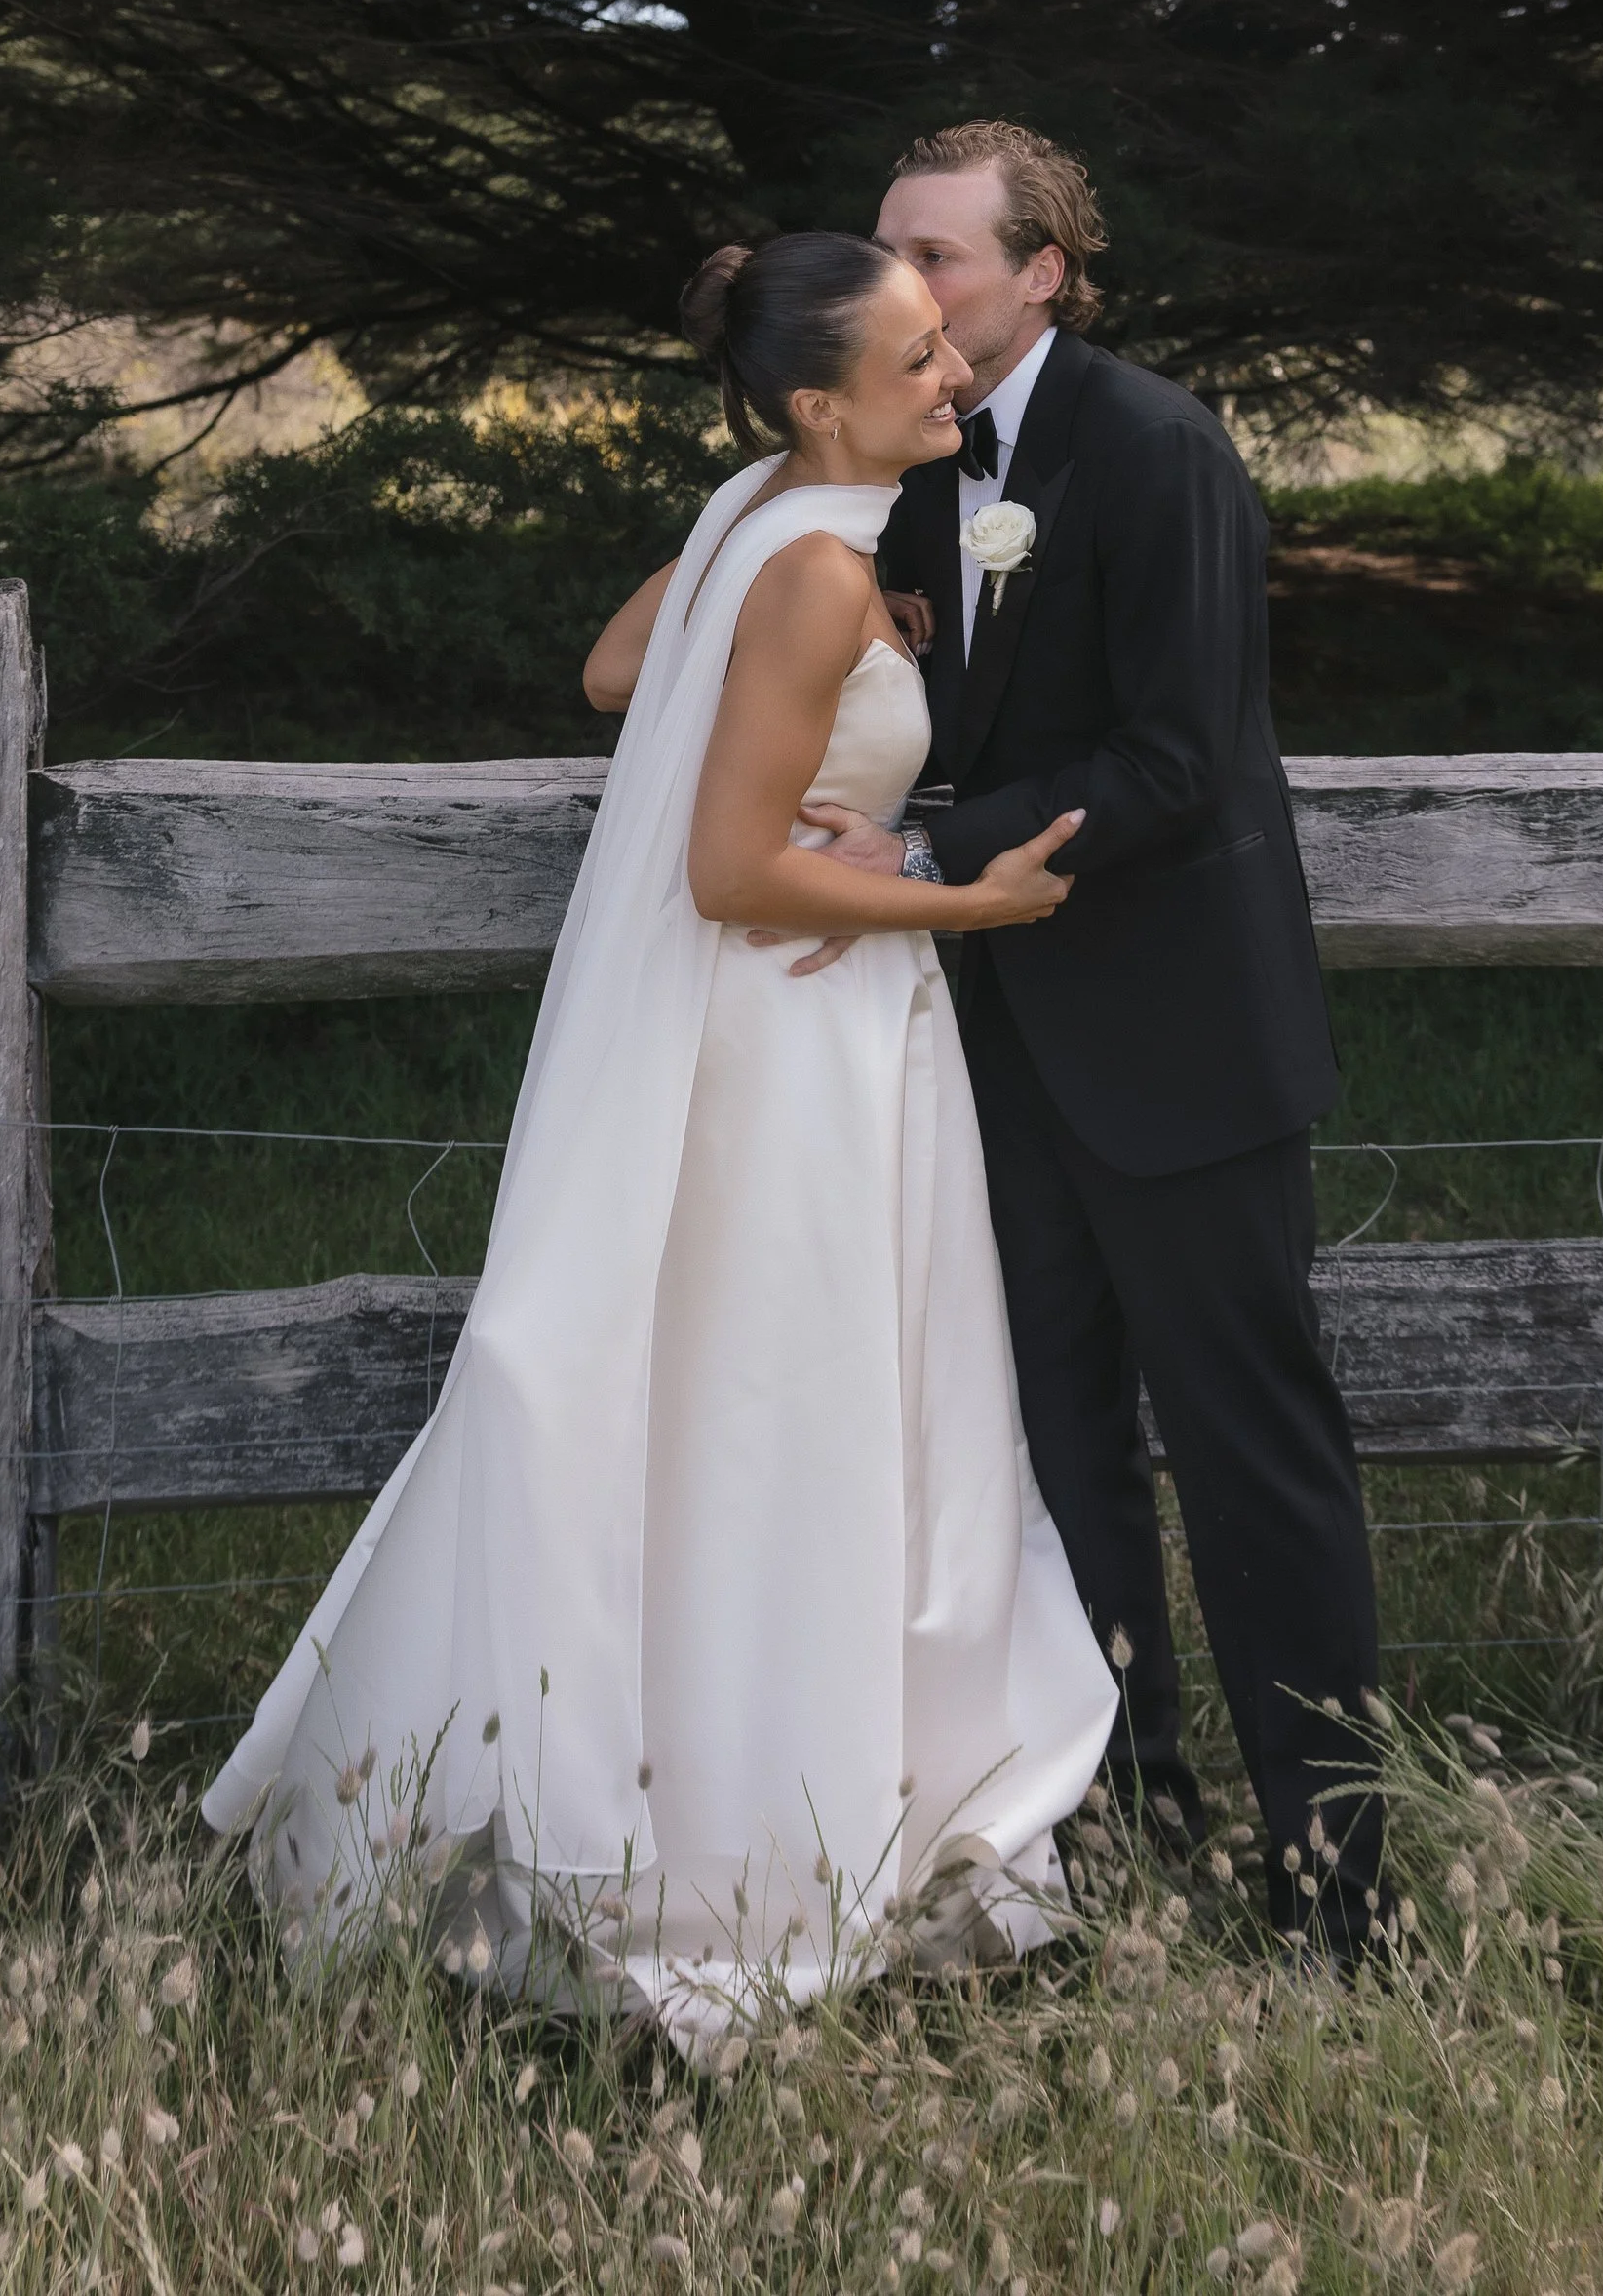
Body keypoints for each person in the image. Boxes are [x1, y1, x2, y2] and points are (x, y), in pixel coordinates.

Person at [201, 233, 1116, 2053]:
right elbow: (723, 867)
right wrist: (973, 899)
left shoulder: (760, 510)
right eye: (920, 358)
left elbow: (619, 669)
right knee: (794, 1409)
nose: (955, 376)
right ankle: (747, 1841)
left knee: (736, 1398)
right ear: (818, 398)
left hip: (804, 1031)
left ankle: (770, 1788)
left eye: (950, 345)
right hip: (806, 1035)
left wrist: (835, 702)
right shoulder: (803, 561)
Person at [827, 122, 1387, 1963]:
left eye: (946, 258)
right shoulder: (901, 461)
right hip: (987, 1061)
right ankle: (1127, 1841)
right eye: (892, 258)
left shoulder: (1155, 449)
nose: (912, 288)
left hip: (1182, 1049)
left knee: (1254, 1464)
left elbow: (1175, 761)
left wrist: (917, 846)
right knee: (1054, 1461)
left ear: (1045, 267)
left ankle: (1337, 1895)